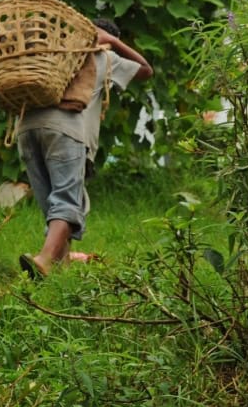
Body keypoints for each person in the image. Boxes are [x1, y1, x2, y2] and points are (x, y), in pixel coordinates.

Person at [17, 18, 153, 278]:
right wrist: (112, 42)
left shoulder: (52, 53)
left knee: (52, 204)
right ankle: (44, 260)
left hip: (26, 128)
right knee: (68, 201)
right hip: (65, 132)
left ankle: (61, 263)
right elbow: (145, 69)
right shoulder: (105, 57)